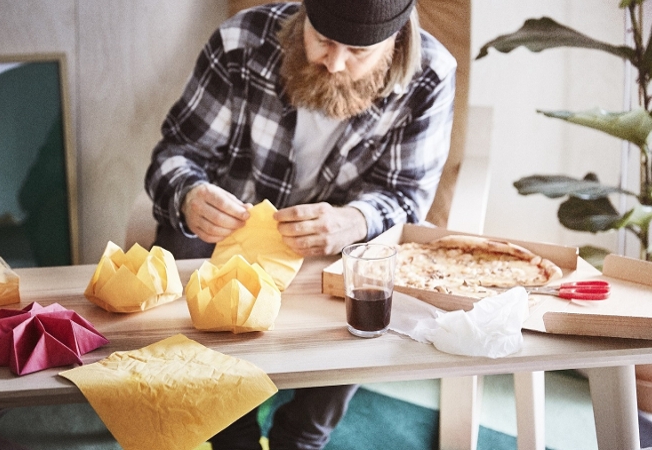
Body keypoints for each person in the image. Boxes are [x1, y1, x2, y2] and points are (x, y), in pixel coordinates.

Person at [144, 0, 456, 448]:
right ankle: (231, 432)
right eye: (323, 40)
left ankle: (303, 436)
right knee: (180, 240)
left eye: (357, 52)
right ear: (305, 16)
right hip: (227, 235)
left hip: (335, 247)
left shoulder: (431, 74)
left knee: (370, 278)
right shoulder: (239, 42)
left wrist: (354, 221)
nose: (334, 62)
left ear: (395, 41)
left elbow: (406, 197)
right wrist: (190, 195)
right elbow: (175, 155)